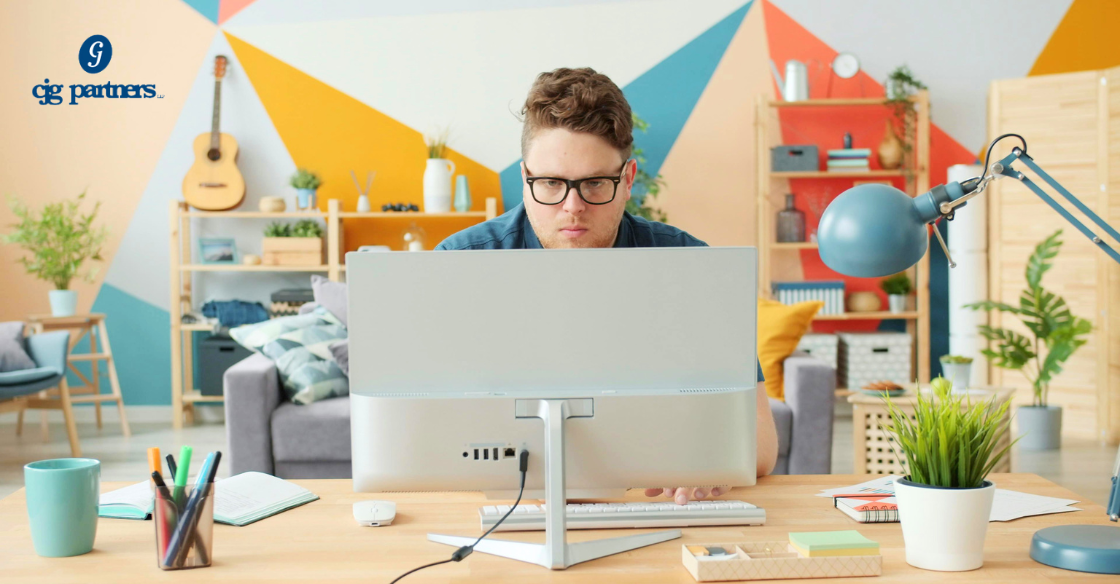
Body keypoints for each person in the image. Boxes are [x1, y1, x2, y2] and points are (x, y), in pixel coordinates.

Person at [436, 67, 778, 503]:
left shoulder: (692, 267)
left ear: (629, 179)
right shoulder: (460, 264)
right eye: (551, 184)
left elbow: (762, 441)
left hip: (650, 505)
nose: (572, 207)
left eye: (595, 183)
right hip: (499, 507)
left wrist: (711, 464)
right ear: (525, 179)